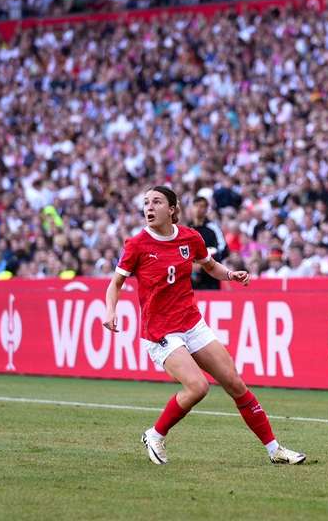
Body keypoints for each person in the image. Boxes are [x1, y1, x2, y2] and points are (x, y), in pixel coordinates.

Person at [103, 186, 306, 465]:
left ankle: (275, 450)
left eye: (157, 202)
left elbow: (210, 266)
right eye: (146, 203)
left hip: (191, 323)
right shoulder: (137, 244)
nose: (149, 207)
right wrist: (110, 310)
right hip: (161, 331)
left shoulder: (190, 237)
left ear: (172, 209)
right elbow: (115, 284)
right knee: (198, 387)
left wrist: (230, 274)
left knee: (235, 383)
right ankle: (155, 434)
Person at [188, 196, 229, 290]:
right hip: (191, 278)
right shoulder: (187, 228)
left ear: (206, 209)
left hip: (210, 276)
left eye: (202, 206)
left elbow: (223, 250)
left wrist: (204, 264)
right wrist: (191, 265)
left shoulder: (213, 228)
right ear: (191, 208)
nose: (198, 209)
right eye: (196, 206)